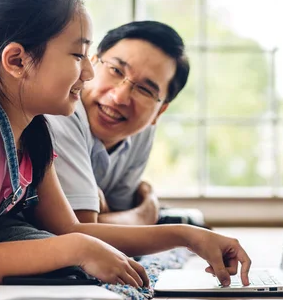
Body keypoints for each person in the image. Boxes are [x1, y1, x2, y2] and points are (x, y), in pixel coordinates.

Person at [0, 0, 250, 287]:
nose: (90, 72)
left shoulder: (33, 130)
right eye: (79, 55)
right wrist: (76, 249)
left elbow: (70, 228)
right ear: (18, 61)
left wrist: (188, 236)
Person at [46, 21, 189, 226]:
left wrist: (107, 214)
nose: (119, 98)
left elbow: (117, 214)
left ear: (160, 111)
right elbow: (82, 230)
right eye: (115, 70)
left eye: (145, 90)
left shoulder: (142, 131)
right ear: (91, 63)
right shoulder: (60, 111)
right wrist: (146, 214)